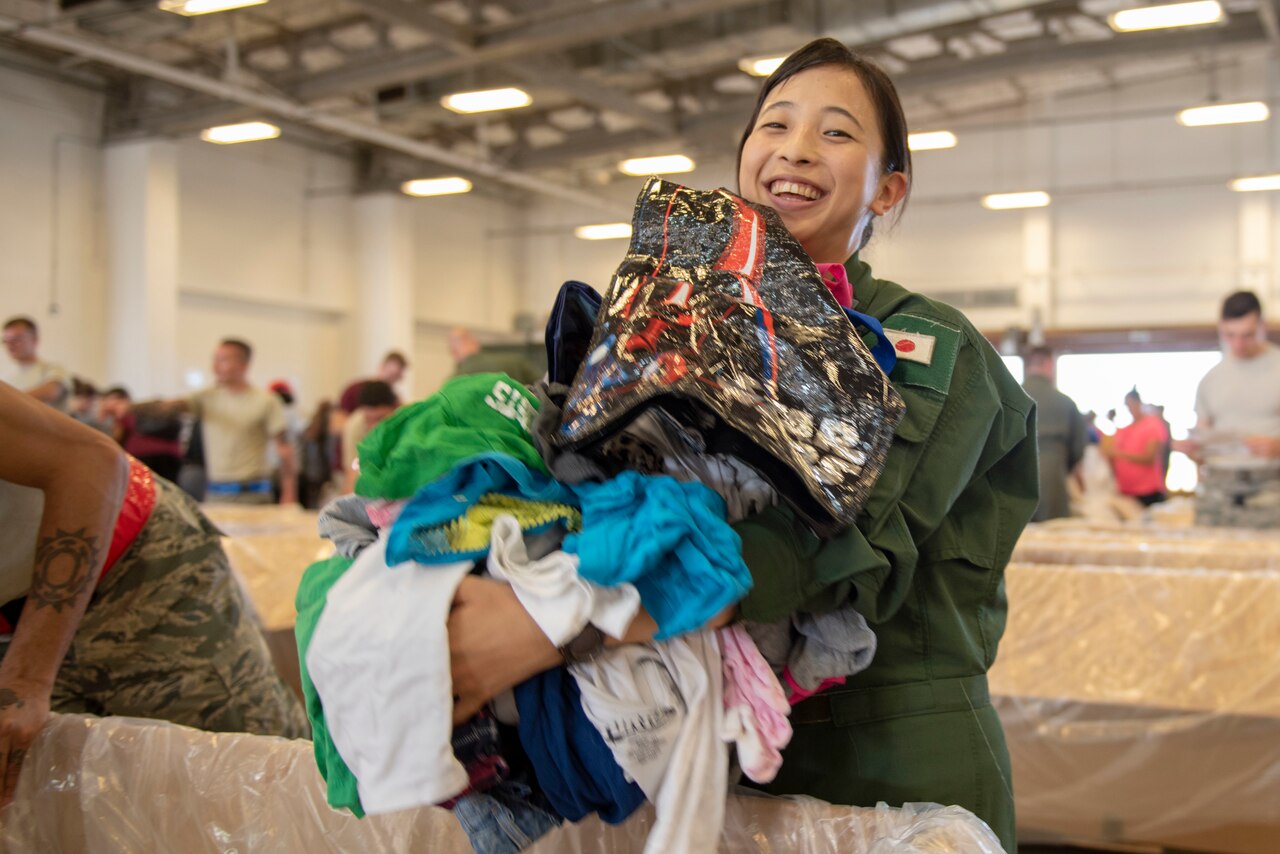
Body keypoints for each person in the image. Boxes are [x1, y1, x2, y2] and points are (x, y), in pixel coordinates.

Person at [441, 38, 1036, 853]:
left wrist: (554, 622)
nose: (794, 149)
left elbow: (835, 540)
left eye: (835, 133)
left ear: (888, 189)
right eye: (774, 125)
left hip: (888, 760)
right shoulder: (679, 333)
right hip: (705, 741)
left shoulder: (922, 346)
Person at [0, 382, 308, 806]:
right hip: (20, 611)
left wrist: (26, 676)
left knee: (244, 776)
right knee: (65, 798)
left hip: (140, 571)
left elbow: (91, 461)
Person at [134, 339, 296, 505]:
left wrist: (289, 494)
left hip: (255, 495)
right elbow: (168, 408)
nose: (216, 367)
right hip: (217, 495)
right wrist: (129, 408)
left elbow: (284, 449)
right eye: (215, 360)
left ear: (243, 365)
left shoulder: (266, 401)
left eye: (223, 360)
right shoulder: (206, 398)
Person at [1190, 290, 1280, 459]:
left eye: (1248, 335)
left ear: (1263, 326)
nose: (1238, 344)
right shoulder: (1211, 379)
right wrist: (1192, 449)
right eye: (1230, 335)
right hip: (1220, 480)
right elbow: (1201, 439)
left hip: (1273, 480)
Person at [1022, 347, 1086, 521]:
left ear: (1029, 365)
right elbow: (1078, 448)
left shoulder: (1009, 398)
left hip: (1015, 476)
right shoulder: (1065, 403)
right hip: (1053, 476)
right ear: (1049, 364)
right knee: (1051, 538)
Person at [100, 386, 184, 483]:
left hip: (149, 459)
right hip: (166, 457)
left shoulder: (128, 413)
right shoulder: (136, 411)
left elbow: (117, 439)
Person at [1103, 389, 1169, 506]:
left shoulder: (1152, 424)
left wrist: (1118, 454)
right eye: (1127, 405)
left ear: (1138, 402)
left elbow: (1149, 457)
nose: (1129, 408)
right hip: (1126, 490)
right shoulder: (1125, 429)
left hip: (1148, 491)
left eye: (1131, 404)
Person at [339, 380, 400, 494]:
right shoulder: (355, 426)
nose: (374, 427)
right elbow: (352, 473)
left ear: (395, 409)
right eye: (369, 419)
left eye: (380, 418)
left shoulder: (407, 421)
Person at [1, 316, 72, 412]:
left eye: (17, 339)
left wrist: (7, 402)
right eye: (6, 341)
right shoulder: (6, 378)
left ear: (34, 339)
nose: (10, 345)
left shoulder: (53, 368)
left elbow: (51, 392)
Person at [449, 326, 546, 386]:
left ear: (454, 351)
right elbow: (545, 385)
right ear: (476, 343)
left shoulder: (456, 379)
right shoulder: (515, 361)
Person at [337, 351, 408, 416]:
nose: (391, 381)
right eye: (391, 374)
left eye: (396, 377)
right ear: (381, 367)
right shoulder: (353, 391)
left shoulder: (394, 402)